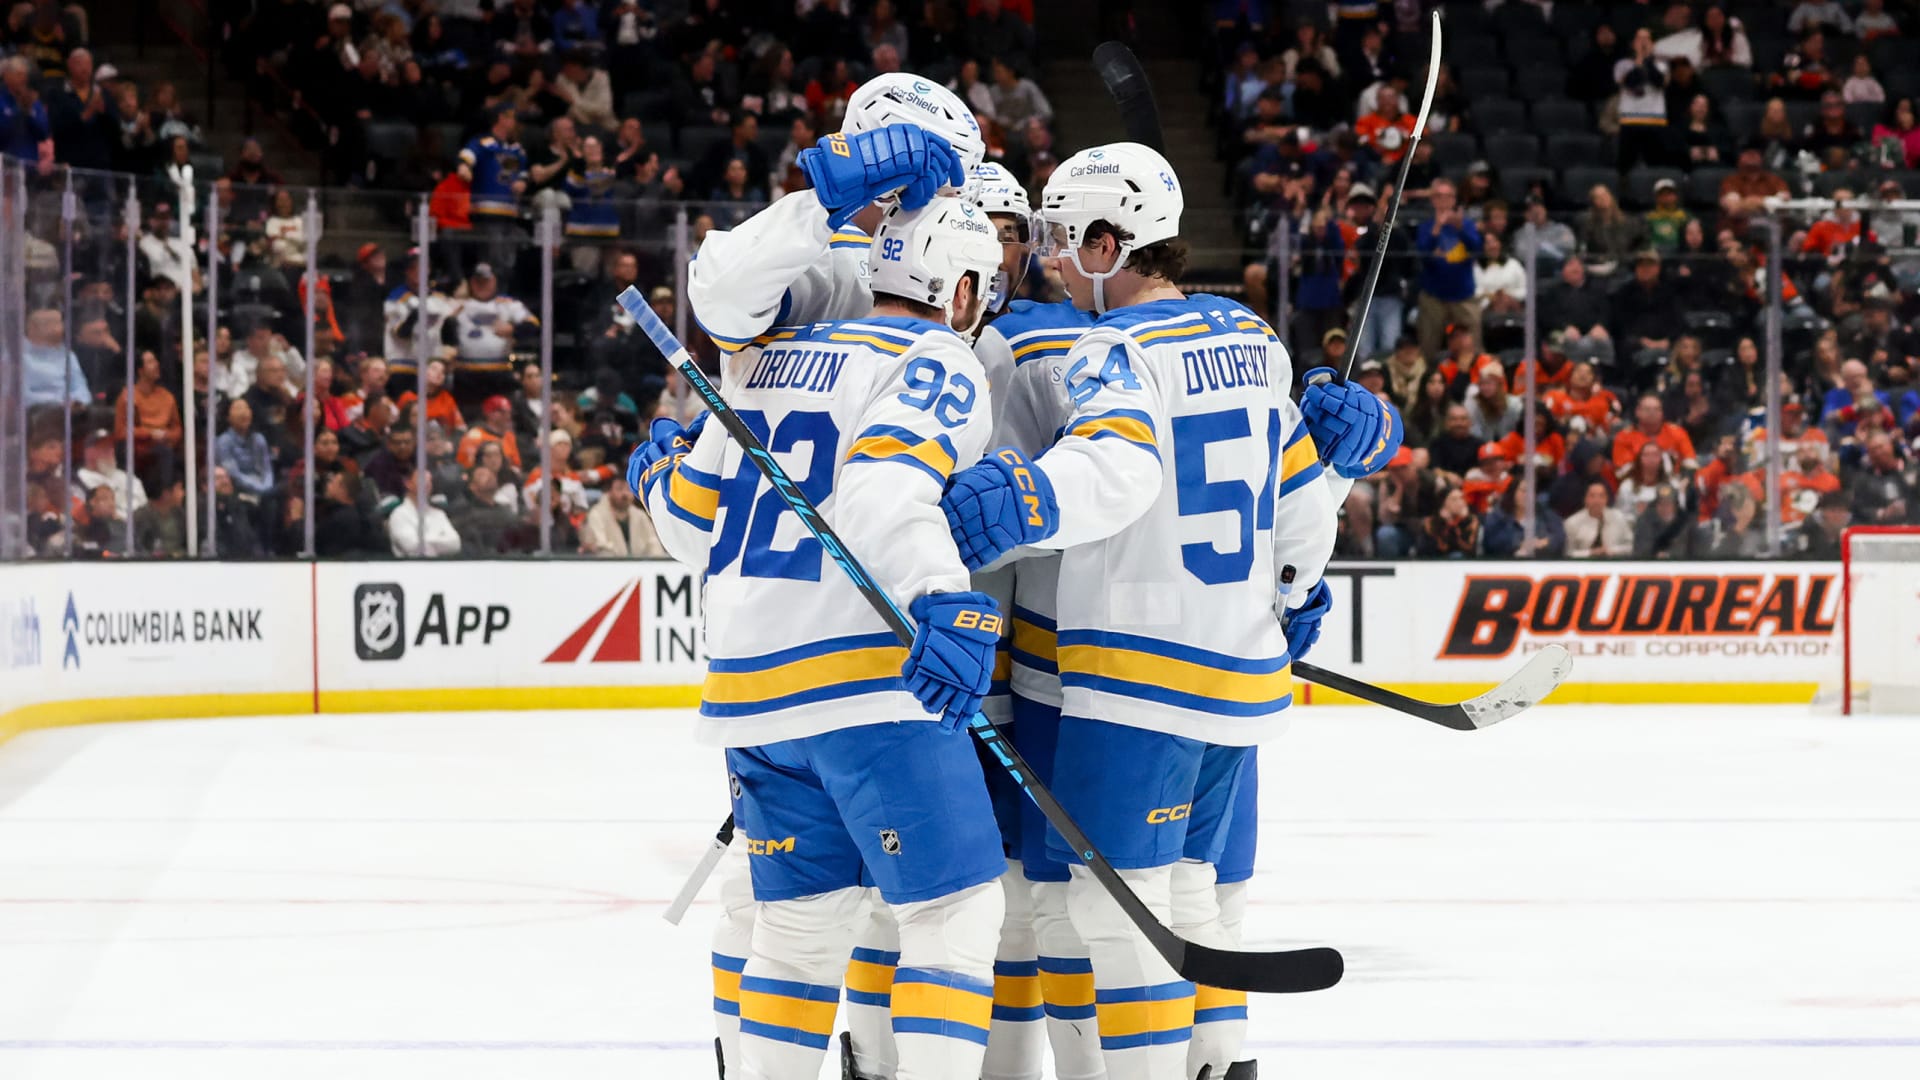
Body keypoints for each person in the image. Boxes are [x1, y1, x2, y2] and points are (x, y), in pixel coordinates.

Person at [935, 141, 1391, 1080]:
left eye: (1063, 239)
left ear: (1108, 243)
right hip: (1244, 673)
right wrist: (1292, 590)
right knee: (1196, 892)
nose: (1050, 261)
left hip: (1131, 675)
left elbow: (1117, 467)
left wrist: (1030, 499)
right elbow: (1301, 500)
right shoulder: (1252, 335)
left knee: (1112, 911)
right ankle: (1217, 1066)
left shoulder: (1111, 349)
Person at [635, 194, 1008, 1080]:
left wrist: (654, 477)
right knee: (952, 916)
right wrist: (939, 595)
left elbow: (689, 521)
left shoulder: (768, 359)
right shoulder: (938, 359)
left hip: (752, 698)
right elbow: (885, 486)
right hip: (869, 686)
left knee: (798, 935)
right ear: (959, 289)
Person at [1414, 178, 1482, 358]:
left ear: (1454, 200)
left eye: (1448, 196)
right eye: (1438, 196)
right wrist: (1436, 228)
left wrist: (1460, 228)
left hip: (1463, 296)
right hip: (1433, 297)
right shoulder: (1426, 227)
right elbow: (1423, 256)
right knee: (1428, 348)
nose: (1443, 201)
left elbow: (1477, 249)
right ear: (1432, 200)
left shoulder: (1466, 225)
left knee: (1473, 346)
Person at [580, 479, 664, 557]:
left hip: (639, 565)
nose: (625, 494)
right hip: (608, 564)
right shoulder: (596, 514)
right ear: (609, 492)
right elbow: (600, 547)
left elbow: (653, 543)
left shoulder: (640, 515)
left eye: (628, 489)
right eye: (619, 489)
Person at [388, 468, 461, 556]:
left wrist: (425, 541)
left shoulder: (439, 514)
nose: (427, 484)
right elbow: (413, 548)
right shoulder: (399, 515)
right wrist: (440, 539)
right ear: (408, 484)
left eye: (429, 480)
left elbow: (455, 544)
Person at [1565, 481, 1634, 557]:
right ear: (1585, 499)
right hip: (1584, 563)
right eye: (1592, 496)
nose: (1597, 501)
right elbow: (1567, 553)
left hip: (1613, 561)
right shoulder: (1572, 523)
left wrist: (1613, 550)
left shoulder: (1618, 517)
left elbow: (1631, 546)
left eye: (1601, 496)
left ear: (1606, 499)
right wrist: (1590, 553)